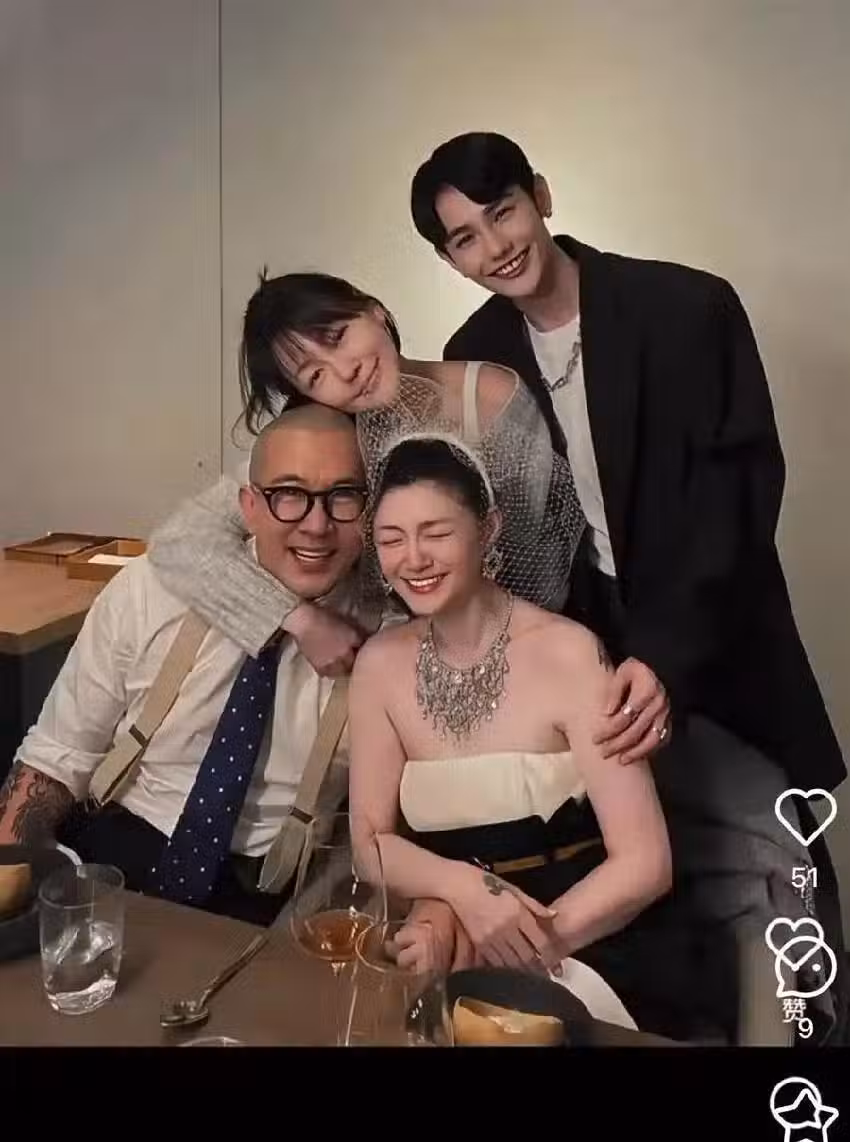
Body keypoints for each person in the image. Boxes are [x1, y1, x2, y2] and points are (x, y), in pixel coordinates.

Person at [409, 131, 847, 1039]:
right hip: (585, 656)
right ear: (449, 260)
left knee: (776, 859)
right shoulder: (475, 351)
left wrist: (667, 657)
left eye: (503, 213)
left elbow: (740, 494)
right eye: (465, 239)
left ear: (541, 196)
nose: (495, 248)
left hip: (715, 632)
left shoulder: (686, 306)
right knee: (648, 881)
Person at [147, 271, 669, 767]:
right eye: (315, 375)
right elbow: (181, 541)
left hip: (521, 653)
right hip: (391, 665)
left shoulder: (490, 394)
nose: (345, 370)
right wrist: (300, 619)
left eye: (338, 337)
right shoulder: (334, 443)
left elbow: (541, 566)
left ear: (373, 311)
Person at [347, 435, 737, 1042]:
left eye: (436, 533)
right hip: (455, 943)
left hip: (590, 944)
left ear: (489, 529)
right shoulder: (377, 666)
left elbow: (645, 864)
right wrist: (459, 895)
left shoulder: (570, 653)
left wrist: (512, 948)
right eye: (391, 539)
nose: (413, 558)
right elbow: (369, 843)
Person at [0, 406, 377, 926]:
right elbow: (57, 755)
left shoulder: (387, 635)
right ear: (248, 507)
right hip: (116, 845)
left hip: (266, 888)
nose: (316, 525)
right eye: (288, 494)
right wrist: (9, 869)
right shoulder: (151, 590)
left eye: (344, 496)